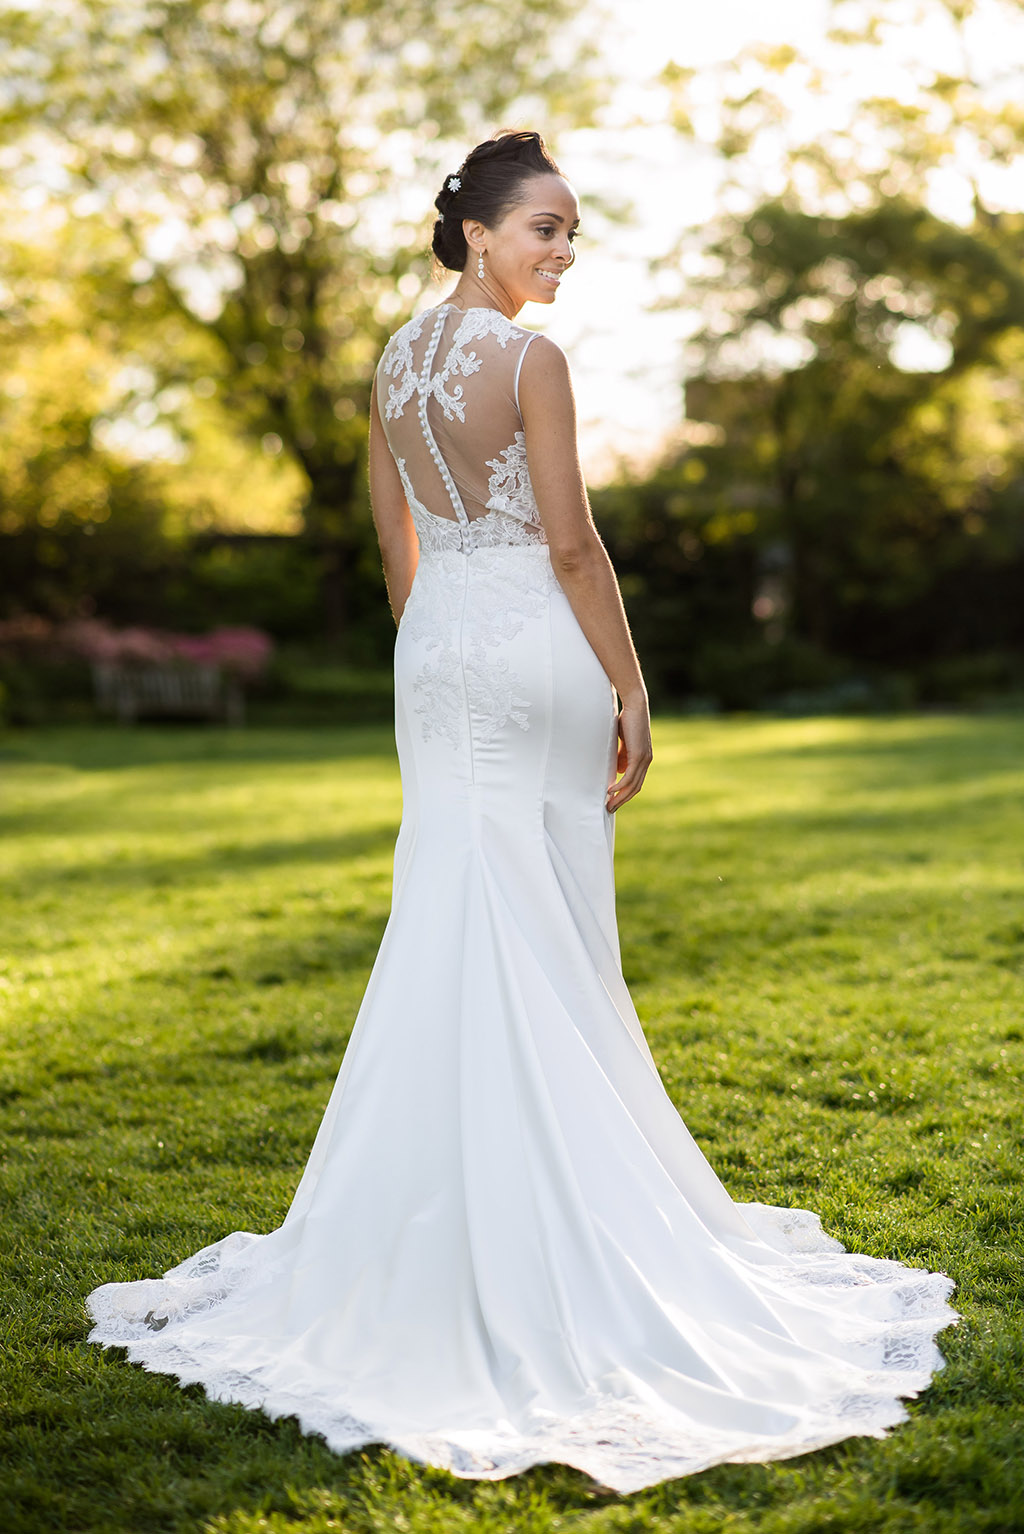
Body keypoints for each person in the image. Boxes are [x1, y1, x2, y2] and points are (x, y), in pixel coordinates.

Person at [85, 129, 959, 1495]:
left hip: (436, 653)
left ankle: (429, 1214)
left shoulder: (392, 360)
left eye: (573, 231)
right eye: (545, 226)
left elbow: (398, 539)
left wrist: (435, 640)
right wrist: (634, 683)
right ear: (478, 232)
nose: (563, 251)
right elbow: (570, 544)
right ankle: (554, 1216)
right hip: (531, 648)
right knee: (539, 913)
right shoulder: (530, 362)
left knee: (455, 905)